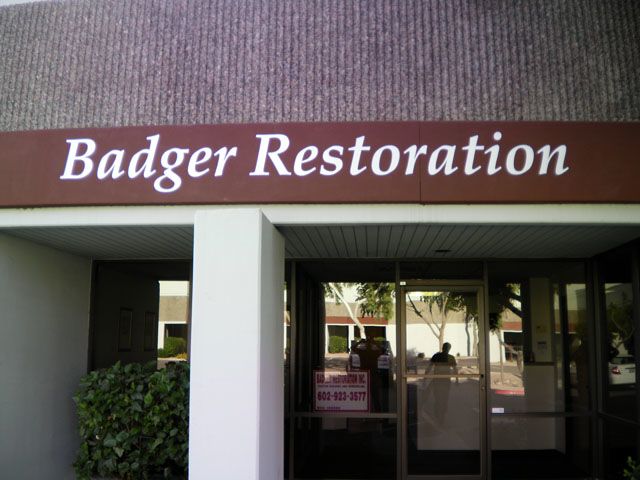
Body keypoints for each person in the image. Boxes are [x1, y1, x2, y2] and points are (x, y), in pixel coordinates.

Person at [427, 342, 458, 424]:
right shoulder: (451, 357)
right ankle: (442, 416)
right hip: (445, 381)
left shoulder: (436, 356)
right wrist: (457, 380)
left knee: (438, 398)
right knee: (444, 398)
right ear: (449, 349)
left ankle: (438, 414)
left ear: (442, 347)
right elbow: (455, 370)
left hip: (437, 380)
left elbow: (429, 367)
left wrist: (425, 377)